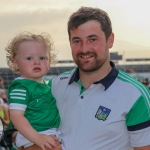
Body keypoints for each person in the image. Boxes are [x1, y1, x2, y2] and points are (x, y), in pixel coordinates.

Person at [49, 6, 150, 150]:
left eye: (92, 39)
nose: (84, 49)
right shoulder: (54, 85)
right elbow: (22, 132)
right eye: (77, 41)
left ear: (110, 40)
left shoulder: (135, 95)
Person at [5, 32, 64, 150]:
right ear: (15, 63)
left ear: (49, 61)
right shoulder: (21, 86)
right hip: (33, 136)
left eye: (42, 58)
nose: (36, 62)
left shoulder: (45, 85)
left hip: (47, 133)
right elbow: (16, 116)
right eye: (29, 58)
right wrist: (37, 138)